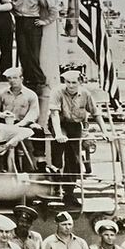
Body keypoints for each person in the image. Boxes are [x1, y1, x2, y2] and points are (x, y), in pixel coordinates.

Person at [49, 70, 98, 206]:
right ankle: (55, 178)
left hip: (75, 125)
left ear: (80, 82)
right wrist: (58, 134)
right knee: (58, 153)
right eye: (68, 82)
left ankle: (69, 193)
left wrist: (106, 132)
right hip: (59, 122)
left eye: (74, 82)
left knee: (74, 159)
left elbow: (96, 113)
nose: (70, 85)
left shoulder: (85, 94)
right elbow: (54, 115)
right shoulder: (57, 92)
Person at [11, 0, 55, 90]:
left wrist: (45, 21)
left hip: (33, 23)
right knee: (23, 52)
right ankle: (28, 78)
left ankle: (39, 79)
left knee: (33, 53)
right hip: (20, 22)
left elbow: (53, 9)